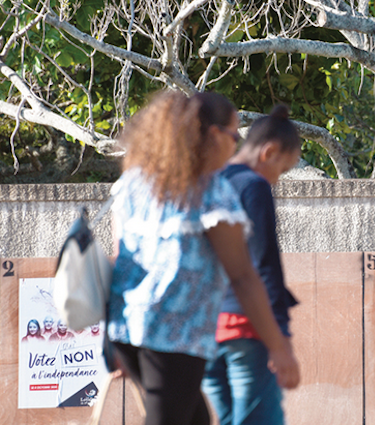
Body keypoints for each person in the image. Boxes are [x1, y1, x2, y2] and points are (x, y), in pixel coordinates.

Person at [106, 91, 299, 425]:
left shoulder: (132, 183)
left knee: (197, 419)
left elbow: (119, 258)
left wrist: (107, 340)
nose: (235, 145)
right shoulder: (210, 190)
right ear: (213, 135)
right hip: (176, 336)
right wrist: (279, 347)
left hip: (128, 331)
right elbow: (243, 276)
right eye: (234, 135)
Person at [202, 105, 301, 425]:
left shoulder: (211, 180)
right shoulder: (253, 186)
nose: (277, 180)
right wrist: (281, 337)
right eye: (282, 171)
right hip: (246, 326)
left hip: (204, 329)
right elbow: (263, 263)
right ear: (269, 152)